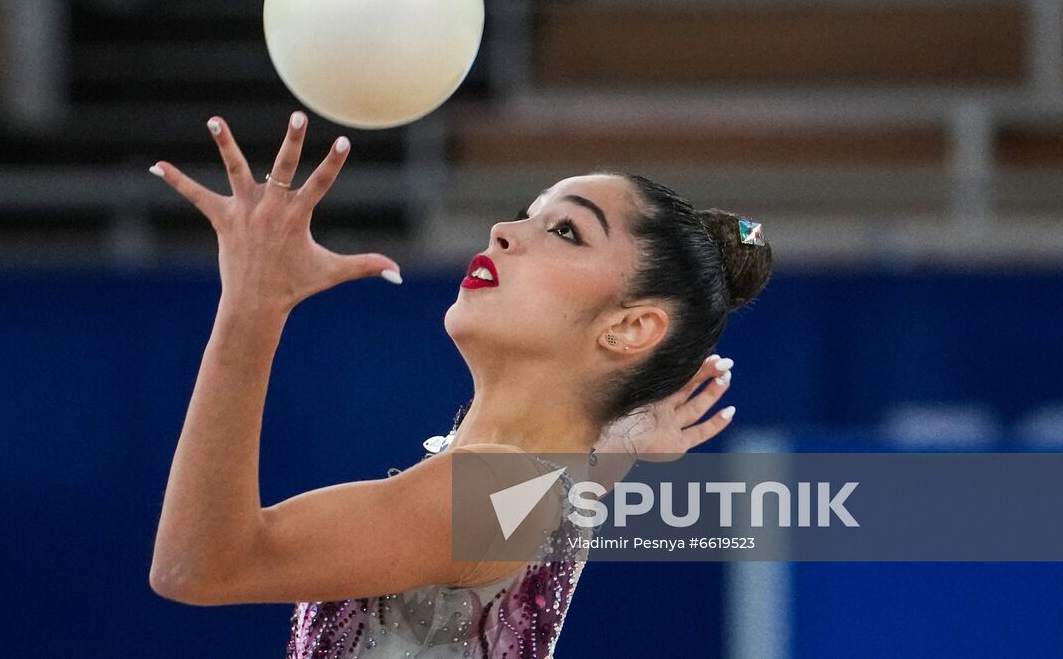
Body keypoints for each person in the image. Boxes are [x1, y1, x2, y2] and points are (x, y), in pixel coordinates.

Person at [147, 111, 773, 657]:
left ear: (631, 326)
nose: (504, 231)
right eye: (528, 215)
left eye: (565, 231)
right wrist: (629, 434)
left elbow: (199, 565)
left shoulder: (498, 491)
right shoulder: (551, 487)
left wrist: (252, 307)